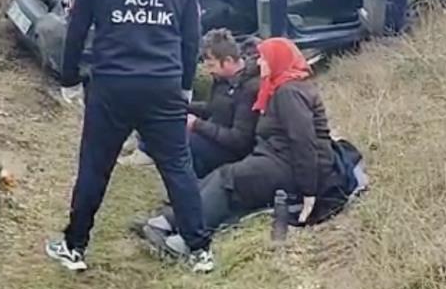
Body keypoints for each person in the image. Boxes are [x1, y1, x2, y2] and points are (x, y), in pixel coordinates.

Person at [46, 0, 213, 273]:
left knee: (95, 166)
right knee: (177, 166)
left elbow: (75, 31)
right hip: (163, 86)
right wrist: (185, 86)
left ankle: (75, 246)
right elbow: (191, 40)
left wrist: (70, 79)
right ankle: (200, 250)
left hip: (112, 86)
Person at [142, 37, 365, 254]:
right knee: (218, 176)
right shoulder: (280, 87)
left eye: (265, 59)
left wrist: (309, 191)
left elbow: (303, 142)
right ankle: (169, 220)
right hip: (276, 157)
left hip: (287, 166)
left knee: (227, 180)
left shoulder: (290, 93)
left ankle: (188, 242)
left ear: (278, 61)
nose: (259, 63)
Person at [186, 29, 260, 178]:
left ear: (228, 61)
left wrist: (197, 125)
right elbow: (212, 109)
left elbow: (240, 140)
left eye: (211, 65)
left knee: (179, 139)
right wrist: (183, 107)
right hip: (216, 137)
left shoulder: (250, 88)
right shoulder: (222, 80)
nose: (208, 71)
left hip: (234, 152)